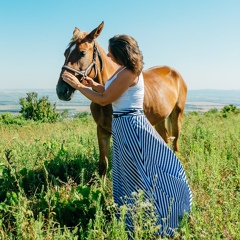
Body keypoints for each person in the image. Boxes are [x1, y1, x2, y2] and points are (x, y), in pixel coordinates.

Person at [62, 34, 192, 237]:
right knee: (128, 173)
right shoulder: (122, 71)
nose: (108, 54)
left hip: (131, 125)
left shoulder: (130, 72)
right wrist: (91, 83)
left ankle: (162, 214)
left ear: (121, 52)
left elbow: (105, 99)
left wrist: (78, 86)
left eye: (111, 51)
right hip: (123, 126)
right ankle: (132, 215)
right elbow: (106, 89)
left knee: (143, 169)